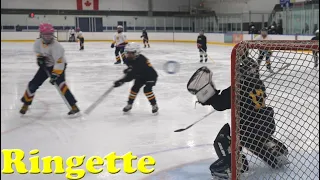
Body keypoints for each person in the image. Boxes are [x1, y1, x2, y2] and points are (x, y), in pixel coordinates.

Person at [187, 49, 289, 178]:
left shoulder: (239, 87)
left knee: (221, 140)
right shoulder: (259, 84)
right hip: (265, 124)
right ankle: (274, 155)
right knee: (252, 141)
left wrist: (209, 99)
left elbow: (220, 104)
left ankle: (232, 167)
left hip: (248, 128)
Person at [19, 23, 80, 115]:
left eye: (50, 34)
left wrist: (55, 74)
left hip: (59, 66)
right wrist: (40, 58)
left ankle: (73, 106)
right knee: (33, 84)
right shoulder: (37, 43)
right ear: (41, 34)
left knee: (61, 85)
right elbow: (38, 52)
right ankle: (26, 104)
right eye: (45, 35)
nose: (48, 37)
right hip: (45, 66)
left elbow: (59, 61)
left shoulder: (57, 46)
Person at [113, 42, 159, 114]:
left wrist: (122, 81)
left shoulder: (141, 60)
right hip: (140, 75)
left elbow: (132, 75)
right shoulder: (128, 59)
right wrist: (129, 70)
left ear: (137, 52)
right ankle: (129, 104)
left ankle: (154, 105)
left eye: (131, 53)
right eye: (127, 53)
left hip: (150, 76)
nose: (129, 54)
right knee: (134, 89)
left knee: (147, 90)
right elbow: (132, 69)